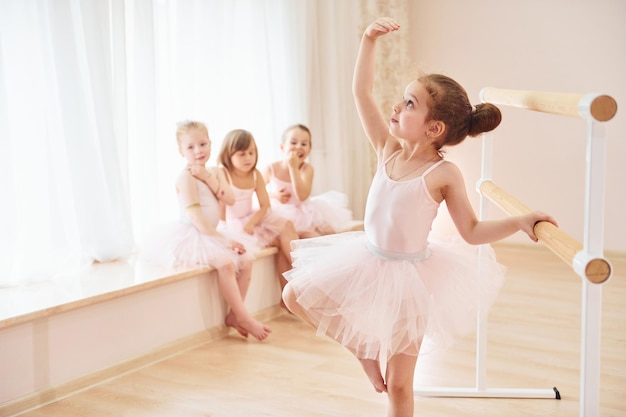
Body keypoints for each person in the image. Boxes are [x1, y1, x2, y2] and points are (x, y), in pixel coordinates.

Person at [281, 17, 557, 417]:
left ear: (434, 128)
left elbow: (472, 230)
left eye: (410, 103)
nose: (397, 105)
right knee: (293, 296)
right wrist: (367, 40)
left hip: (410, 279)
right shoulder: (386, 148)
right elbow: (360, 92)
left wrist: (519, 220)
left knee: (399, 384)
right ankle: (361, 348)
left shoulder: (443, 175)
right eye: (402, 98)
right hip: (364, 259)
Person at [142, 120, 271, 341]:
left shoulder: (216, 172)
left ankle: (233, 316)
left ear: (210, 144)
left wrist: (207, 177)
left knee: (247, 260)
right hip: (194, 234)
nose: (198, 151)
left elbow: (229, 199)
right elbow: (196, 218)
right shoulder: (184, 177)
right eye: (190, 147)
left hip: (213, 231)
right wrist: (224, 242)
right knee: (226, 263)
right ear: (181, 151)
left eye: (202, 144)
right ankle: (244, 317)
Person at [217, 129, 299, 292]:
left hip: (252, 218)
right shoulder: (224, 174)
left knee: (287, 226)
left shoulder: (255, 174)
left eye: (251, 152)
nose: (248, 158)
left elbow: (265, 205)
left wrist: (252, 222)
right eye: (242, 154)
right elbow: (222, 211)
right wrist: (224, 233)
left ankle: (299, 274)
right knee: (282, 243)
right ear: (229, 154)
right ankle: (299, 282)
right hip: (234, 224)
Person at [262, 124, 353, 238]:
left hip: (305, 212)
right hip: (282, 213)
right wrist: (274, 195)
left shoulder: (307, 169)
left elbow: (302, 196)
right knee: (307, 236)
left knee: (330, 235)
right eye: (293, 142)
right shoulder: (271, 168)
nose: (299, 146)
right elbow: (256, 192)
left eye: (304, 144)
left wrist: (293, 168)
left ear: (309, 149)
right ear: (282, 147)